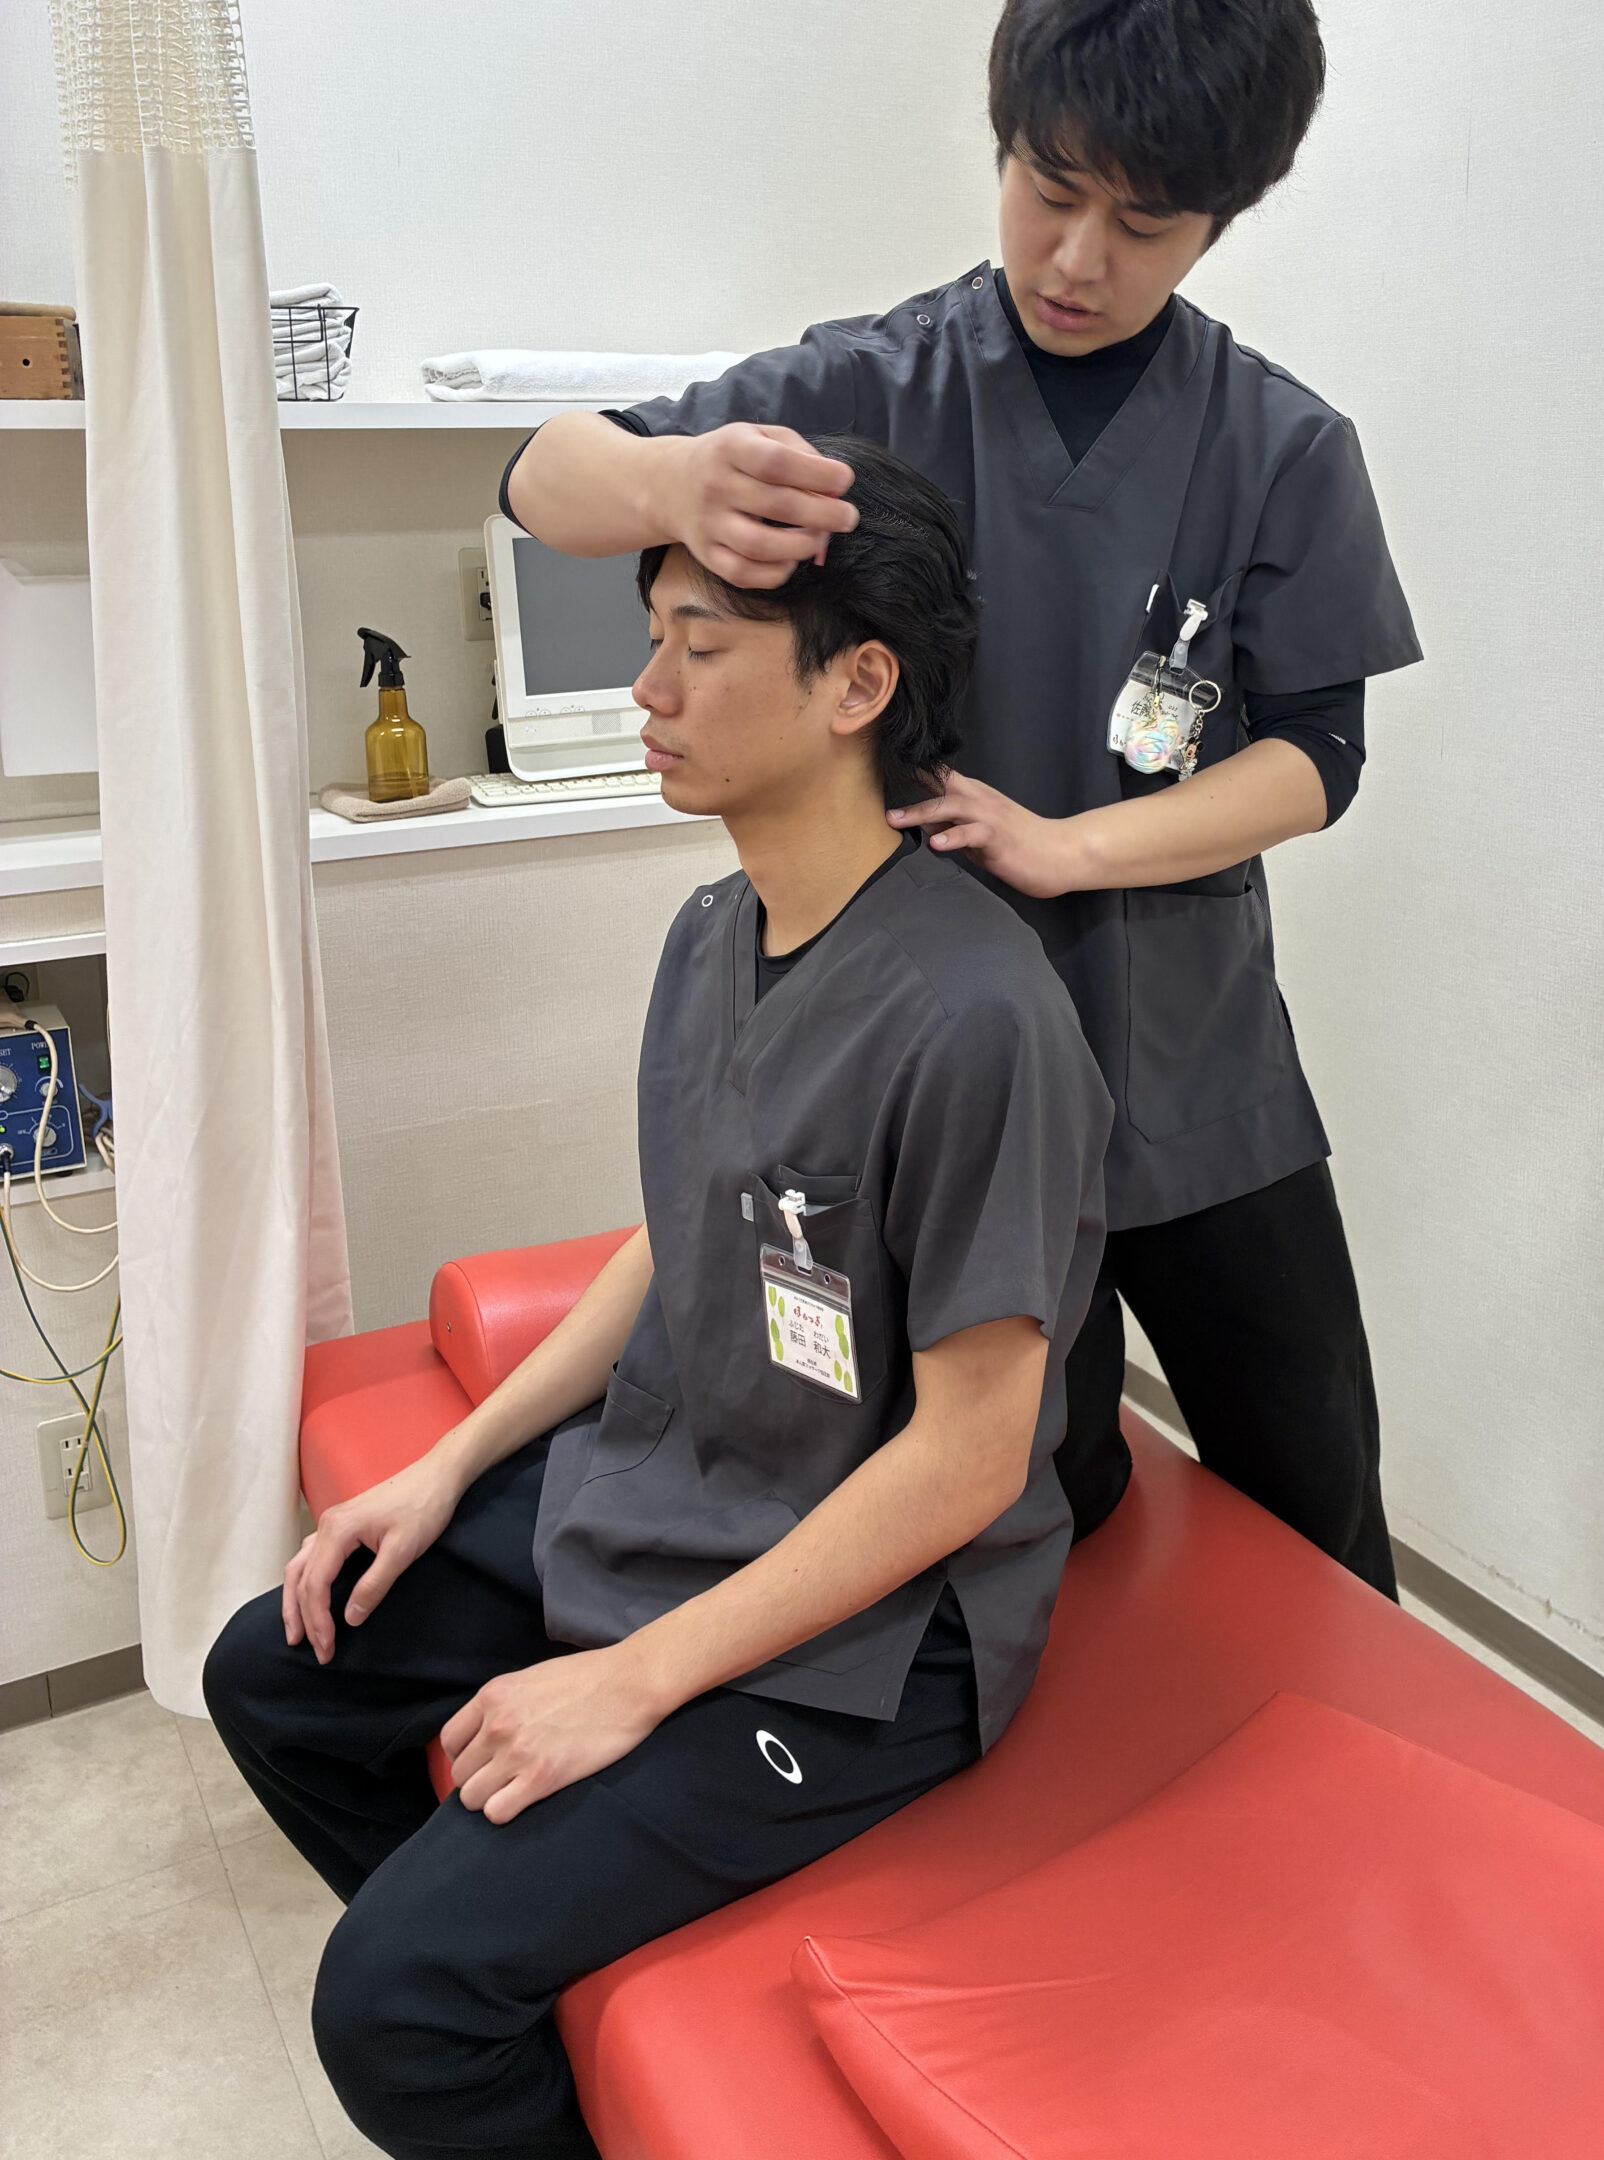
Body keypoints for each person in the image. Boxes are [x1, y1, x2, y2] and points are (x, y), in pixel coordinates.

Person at [504, 0, 1421, 1590]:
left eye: (1144, 223)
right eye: (1048, 190)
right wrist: (673, 479)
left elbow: (1320, 754)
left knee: (1322, 1500)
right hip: (937, 1081)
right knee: (1021, 1510)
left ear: (1223, 219)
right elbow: (543, 475)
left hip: (1195, 1072)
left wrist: (1072, 848)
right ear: (1003, 144)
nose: (1077, 260)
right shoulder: (878, 389)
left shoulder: (1280, 448)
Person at [202, 444, 1111, 2160]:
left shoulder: (978, 1017)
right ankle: (540, 1976)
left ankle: (490, 1981)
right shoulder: (713, 932)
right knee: (278, 1669)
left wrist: (633, 1683)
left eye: (700, 646)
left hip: (874, 1629)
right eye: (652, 640)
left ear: (858, 685)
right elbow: (678, 1229)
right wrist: (448, 1466)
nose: (648, 689)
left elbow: (973, 1457)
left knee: (390, 2003)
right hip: (686, 1494)